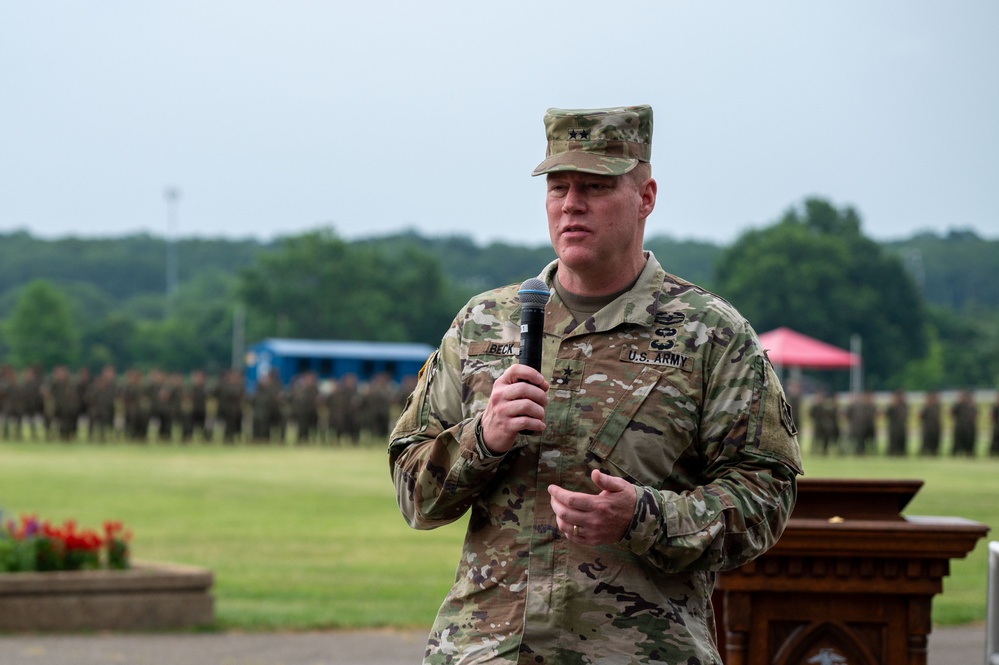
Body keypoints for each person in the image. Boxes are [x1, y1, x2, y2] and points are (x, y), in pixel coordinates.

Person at [388, 105, 802, 665]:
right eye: (558, 187)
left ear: (646, 197)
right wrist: (482, 438)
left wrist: (643, 517)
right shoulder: (485, 322)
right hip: (488, 651)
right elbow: (414, 494)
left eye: (595, 186)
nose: (572, 204)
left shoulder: (711, 335)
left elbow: (766, 498)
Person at [885, 388, 909, 456]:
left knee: (902, 445)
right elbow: (887, 414)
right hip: (893, 428)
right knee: (893, 444)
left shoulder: (904, 405)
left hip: (901, 427)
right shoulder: (892, 406)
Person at [919, 390, 942, 456]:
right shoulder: (926, 407)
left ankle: (934, 452)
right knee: (926, 441)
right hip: (927, 427)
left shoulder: (937, 406)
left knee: (935, 441)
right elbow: (921, 416)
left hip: (935, 427)